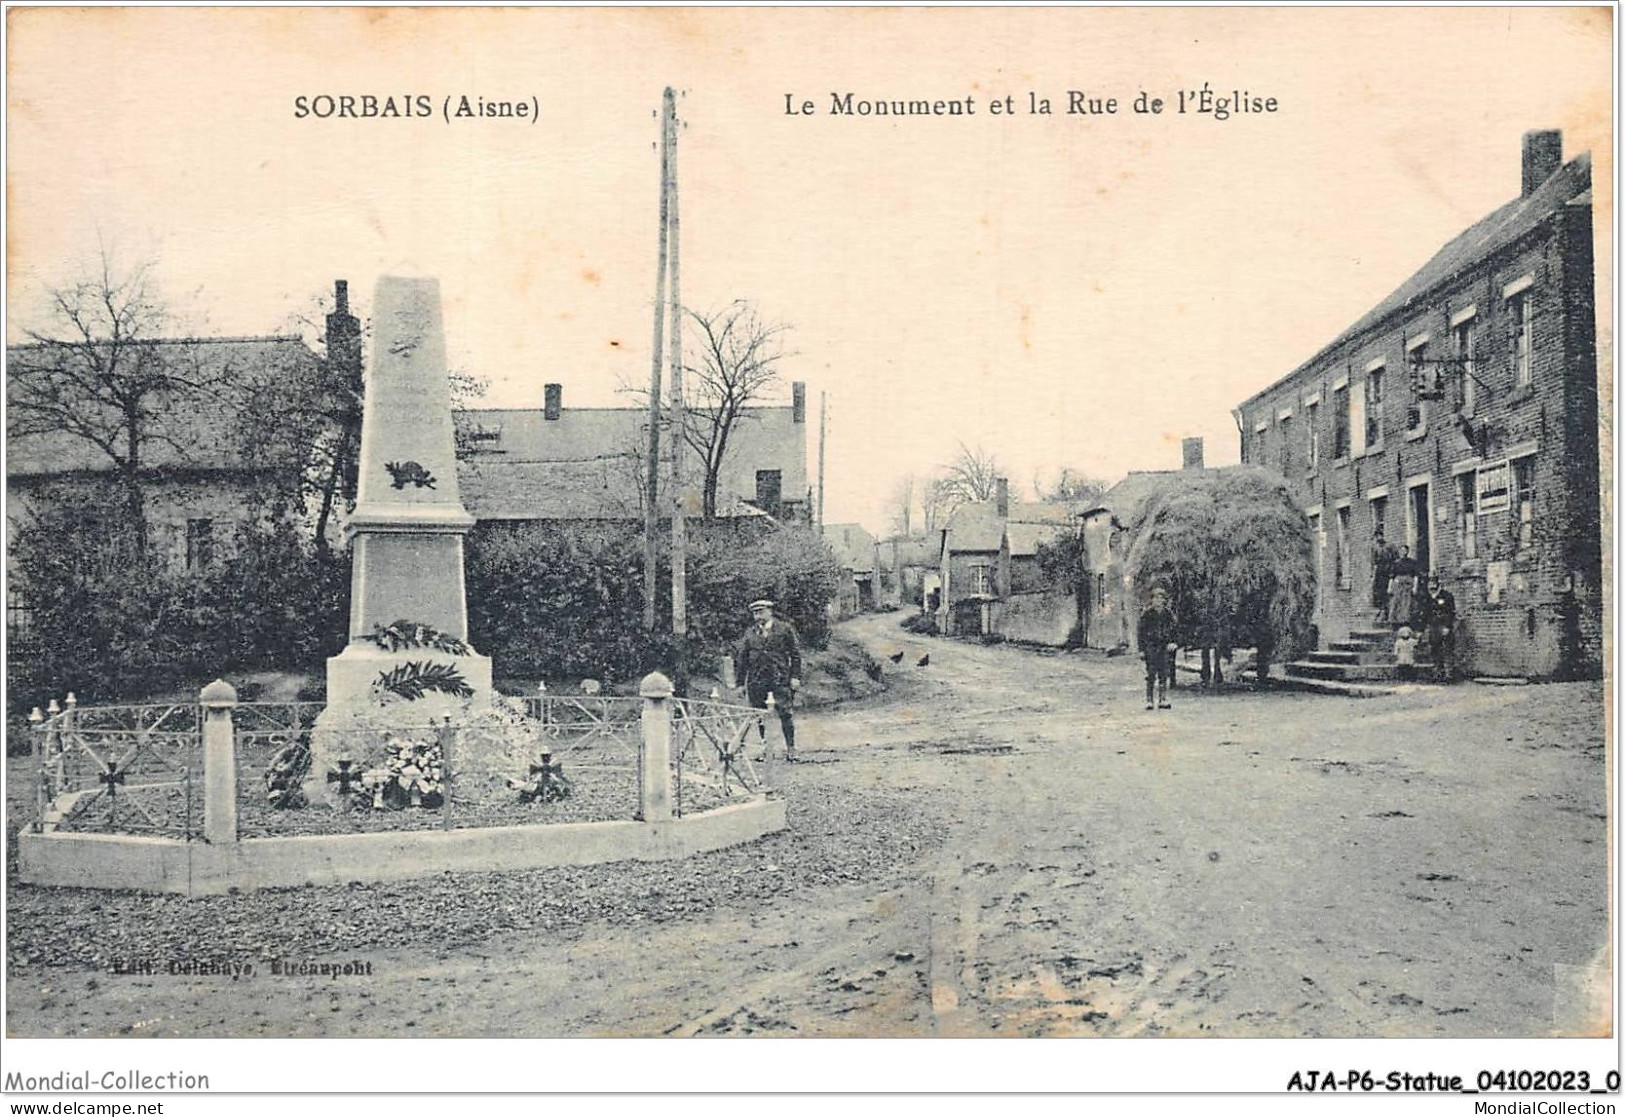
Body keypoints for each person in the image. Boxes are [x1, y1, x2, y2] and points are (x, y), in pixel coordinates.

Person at [735, 598, 802, 761]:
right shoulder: (750, 633)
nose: (758, 616)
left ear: (770, 612)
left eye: (761, 612)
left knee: (785, 713)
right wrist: (739, 684)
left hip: (780, 678)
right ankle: (766, 748)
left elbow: (795, 654)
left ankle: (791, 749)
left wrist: (795, 676)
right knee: (760, 715)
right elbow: (742, 659)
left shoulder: (784, 629)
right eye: (755, 613)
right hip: (757, 681)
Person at [1137, 585, 1178, 711]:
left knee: (1164, 673)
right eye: (1155, 598)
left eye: (1161, 599)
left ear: (1164, 601)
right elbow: (1141, 633)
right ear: (1152, 600)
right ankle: (1149, 700)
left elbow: (1175, 630)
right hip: (1151, 646)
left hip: (1164, 647)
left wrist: (1173, 642)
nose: (1158, 601)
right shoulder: (1147, 614)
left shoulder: (1168, 614)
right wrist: (1142, 650)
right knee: (1151, 673)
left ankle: (1163, 699)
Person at [1420, 575, 1458, 683]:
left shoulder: (1446, 596)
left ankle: (1449, 675)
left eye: (1433, 585)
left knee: (1447, 650)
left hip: (1444, 626)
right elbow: (1425, 614)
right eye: (1429, 585)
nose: (1431, 588)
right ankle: (1438, 674)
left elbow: (1450, 612)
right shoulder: (1427, 598)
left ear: (1437, 585)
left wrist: (1447, 626)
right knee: (1435, 650)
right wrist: (1423, 629)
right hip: (1433, 627)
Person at [1388, 545, 1419, 627]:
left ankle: (1405, 620)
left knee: (1407, 602)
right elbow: (1391, 576)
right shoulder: (1396, 563)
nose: (1403, 552)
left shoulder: (1412, 562)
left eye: (1405, 550)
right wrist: (1389, 587)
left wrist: (1415, 587)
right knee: (1396, 601)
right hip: (1398, 584)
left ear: (1407, 552)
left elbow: (1416, 576)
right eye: (1402, 550)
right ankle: (1395, 620)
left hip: (1408, 584)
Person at [1372, 539, 1398, 620]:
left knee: (1388, 592)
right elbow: (1375, 563)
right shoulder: (1376, 548)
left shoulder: (1390, 546)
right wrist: (1373, 576)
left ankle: (1388, 612)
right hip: (1380, 573)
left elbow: (1395, 559)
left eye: (1380, 535)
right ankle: (1382, 610)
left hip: (1388, 572)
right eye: (1376, 536)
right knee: (1379, 592)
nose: (1378, 538)